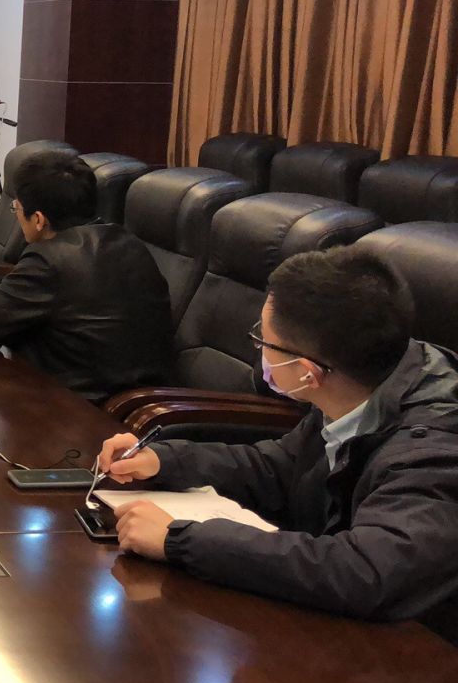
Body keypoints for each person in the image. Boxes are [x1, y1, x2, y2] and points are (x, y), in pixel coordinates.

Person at [100, 247, 458, 639]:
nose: (260, 353)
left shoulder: (433, 450)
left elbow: (366, 572)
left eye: (264, 342)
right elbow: (280, 467)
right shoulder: (362, 383)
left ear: (308, 373)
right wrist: (166, 461)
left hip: (419, 650)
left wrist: (180, 540)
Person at [0, 152, 172, 399]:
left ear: (38, 219)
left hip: (81, 407)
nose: (17, 215)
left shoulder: (49, 260)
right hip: (139, 401)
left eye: (17, 209)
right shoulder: (131, 243)